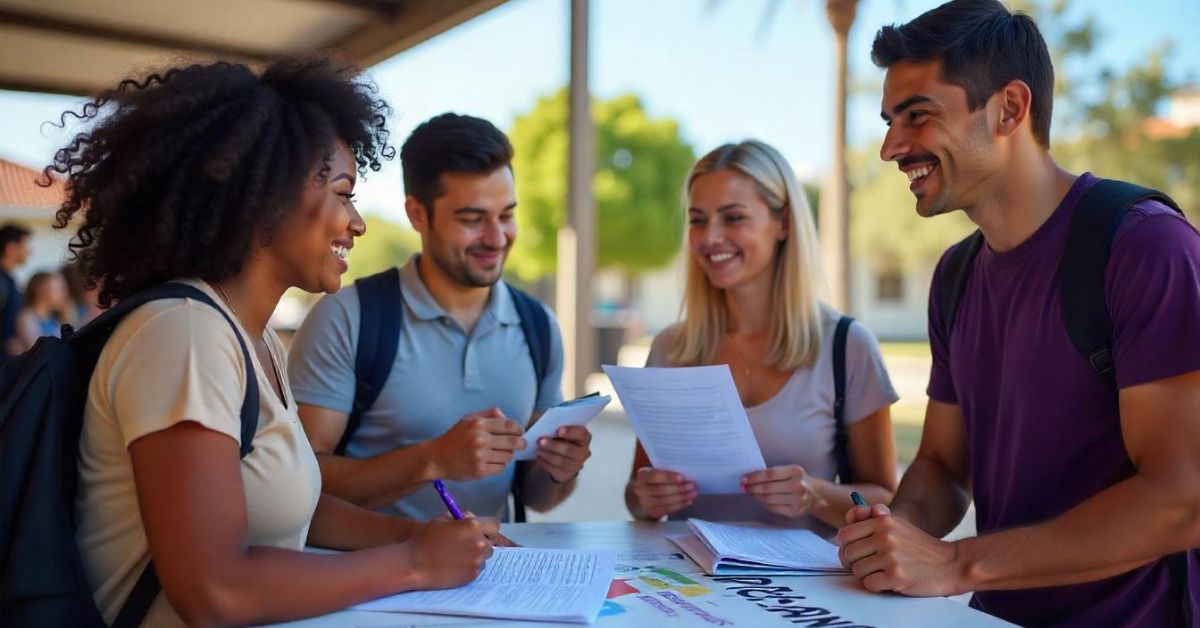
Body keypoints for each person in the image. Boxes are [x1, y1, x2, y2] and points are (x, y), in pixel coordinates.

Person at [59, 57, 496, 627]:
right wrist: (414, 563)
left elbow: (294, 508)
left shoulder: (250, 336)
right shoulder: (184, 335)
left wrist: (423, 536)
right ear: (266, 199)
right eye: (343, 193)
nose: (357, 222)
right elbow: (213, 590)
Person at [836, 1, 1200, 626]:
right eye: (889, 121)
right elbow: (944, 467)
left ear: (1010, 108)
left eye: (917, 116)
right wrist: (893, 536)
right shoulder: (954, 276)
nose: (891, 146)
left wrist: (954, 564)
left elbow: (1183, 496)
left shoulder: (1145, 245)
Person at [288, 113, 591, 522]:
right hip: (372, 577)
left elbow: (537, 497)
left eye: (506, 215)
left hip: (494, 575)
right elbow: (299, 484)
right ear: (417, 214)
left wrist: (560, 471)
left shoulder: (538, 325)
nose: (496, 238)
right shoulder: (346, 318)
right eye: (471, 219)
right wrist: (433, 459)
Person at [624, 140, 899, 535]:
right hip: (690, 586)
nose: (710, 237)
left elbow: (886, 498)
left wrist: (815, 495)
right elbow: (636, 498)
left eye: (733, 217)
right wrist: (647, 498)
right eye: (698, 220)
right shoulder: (671, 348)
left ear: (784, 223)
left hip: (802, 593)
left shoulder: (847, 347)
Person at [15, 270, 69, 349]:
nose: (63, 295)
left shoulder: (53, 318)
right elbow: (37, 350)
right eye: (58, 289)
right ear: (41, 291)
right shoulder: (27, 318)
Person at [0, 223, 31, 357]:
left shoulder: (10, 281)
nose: (29, 251)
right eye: (25, 246)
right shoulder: (2, 281)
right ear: (11, 248)